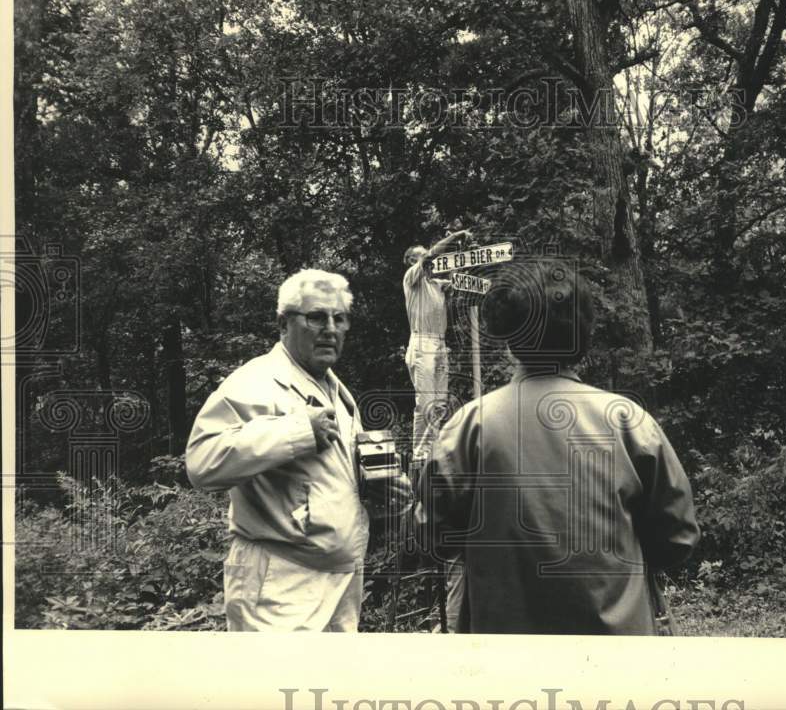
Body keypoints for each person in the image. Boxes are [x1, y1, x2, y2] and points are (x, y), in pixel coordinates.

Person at [412, 257, 700, 634]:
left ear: (509, 338)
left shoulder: (469, 426)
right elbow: (677, 540)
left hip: (505, 662)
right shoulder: (628, 422)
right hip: (618, 660)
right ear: (583, 336)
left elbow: (431, 536)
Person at [186, 269, 411, 632]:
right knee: (275, 688)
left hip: (341, 583)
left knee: (329, 689)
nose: (331, 329)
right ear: (283, 324)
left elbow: (324, 482)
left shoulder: (336, 390)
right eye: (317, 317)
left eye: (340, 318)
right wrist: (297, 430)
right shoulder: (255, 382)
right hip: (280, 587)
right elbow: (202, 463)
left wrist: (381, 491)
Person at [402, 229, 472, 462]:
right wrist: (455, 237)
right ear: (413, 262)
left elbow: (456, 279)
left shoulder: (438, 285)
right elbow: (432, 255)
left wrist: (462, 253)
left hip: (440, 344)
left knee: (440, 404)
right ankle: (420, 456)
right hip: (421, 343)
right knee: (426, 403)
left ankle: (433, 452)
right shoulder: (412, 278)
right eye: (421, 258)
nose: (430, 261)